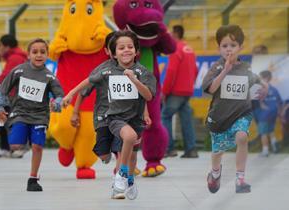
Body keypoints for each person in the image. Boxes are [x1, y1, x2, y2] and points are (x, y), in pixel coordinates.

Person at [62, 30, 156, 199]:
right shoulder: (106, 70)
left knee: (131, 152)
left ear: (136, 51)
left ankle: (128, 180)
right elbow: (87, 83)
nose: (126, 50)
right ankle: (121, 174)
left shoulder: (143, 72)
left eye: (130, 47)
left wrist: (134, 81)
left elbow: (147, 96)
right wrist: (70, 95)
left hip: (135, 119)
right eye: (121, 48)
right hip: (111, 116)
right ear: (113, 53)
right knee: (111, 150)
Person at [202, 24, 267, 194]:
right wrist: (225, 70)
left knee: (242, 137)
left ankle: (240, 179)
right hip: (219, 118)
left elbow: (257, 79)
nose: (228, 50)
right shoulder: (216, 67)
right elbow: (210, 89)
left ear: (240, 47)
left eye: (233, 45)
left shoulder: (246, 68)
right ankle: (215, 172)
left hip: (241, 114)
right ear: (219, 49)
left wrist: (265, 87)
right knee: (218, 152)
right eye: (224, 46)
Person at [0, 38, 64, 192]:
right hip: (20, 113)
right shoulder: (19, 70)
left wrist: (56, 104)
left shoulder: (49, 76)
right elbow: (3, 89)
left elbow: (60, 96)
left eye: (42, 52)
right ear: (28, 54)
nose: (38, 55)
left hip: (40, 115)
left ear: (47, 55)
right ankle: (24, 139)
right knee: (15, 145)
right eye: (35, 52)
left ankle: (33, 179)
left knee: (38, 146)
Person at [161, 25, 199, 158]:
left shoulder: (175, 48)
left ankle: (168, 148)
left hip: (175, 91)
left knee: (165, 116)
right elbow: (195, 70)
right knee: (186, 119)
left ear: (176, 34)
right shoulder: (189, 49)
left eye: (171, 33)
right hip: (187, 90)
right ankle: (191, 149)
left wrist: (164, 91)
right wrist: (189, 85)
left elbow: (171, 71)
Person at [0, 34, 29, 158]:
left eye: (1, 45)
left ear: (6, 46)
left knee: (15, 121)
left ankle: (19, 148)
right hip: (17, 94)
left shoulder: (15, 58)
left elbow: (6, 76)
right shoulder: (17, 57)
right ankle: (11, 148)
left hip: (16, 95)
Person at [252, 70, 282, 156]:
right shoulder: (274, 89)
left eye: (260, 78)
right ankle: (275, 147)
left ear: (266, 78)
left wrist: (261, 104)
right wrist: (279, 113)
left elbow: (253, 99)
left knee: (263, 133)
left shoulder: (259, 88)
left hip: (264, 114)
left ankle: (265, 151)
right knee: (271, 130)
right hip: (273, 113)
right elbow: (279, 102)